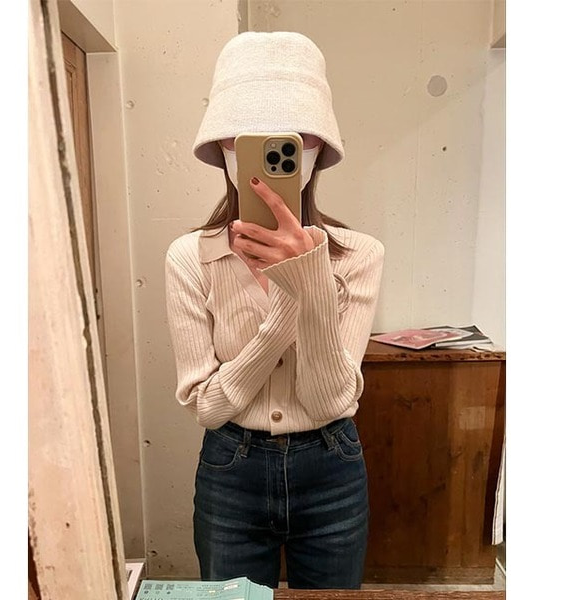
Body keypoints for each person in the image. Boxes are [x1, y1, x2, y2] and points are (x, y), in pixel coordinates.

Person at [165, 31, 384, 590]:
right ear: (225, 149)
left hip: (331, 466)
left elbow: (330, 400)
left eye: (291, 134)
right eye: (250, 134)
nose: (273, 148)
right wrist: (293, 300)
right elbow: (208, 406)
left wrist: (308, 275)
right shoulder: (190, 258)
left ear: (317, 149)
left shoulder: (359, 255)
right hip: (230, 469)